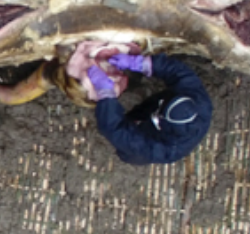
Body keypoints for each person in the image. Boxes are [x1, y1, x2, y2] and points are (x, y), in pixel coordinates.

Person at [86, 52, 214, 166]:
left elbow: (112, 128)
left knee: (129, 152)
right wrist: (141, 64)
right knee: (145, 109)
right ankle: (141, 112)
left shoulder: (159, 149)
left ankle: (129, 140)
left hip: (146, 144)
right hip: (162, 107)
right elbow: (177, 71)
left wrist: (106, 94)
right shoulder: (198, 98)